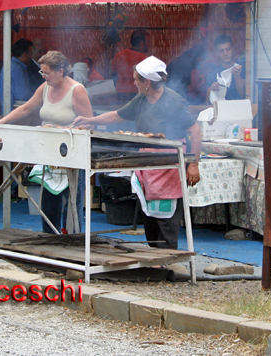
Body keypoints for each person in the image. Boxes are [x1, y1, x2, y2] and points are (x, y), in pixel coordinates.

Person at [73, 56, 202, 249]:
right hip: (147, 162)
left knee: (166, 213)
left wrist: (193, 164)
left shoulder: (174, 101)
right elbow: (117, 115)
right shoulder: (141, 99)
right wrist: (90, 121)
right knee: (148, 212)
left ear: (147, 82)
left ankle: (166, 255)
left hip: (169, 163)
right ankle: (153, 253)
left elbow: (195, 131)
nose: (133, 83)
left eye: (136, 79)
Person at [0, 51, 93, 234]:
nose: (44, 76)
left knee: (72, 199)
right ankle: (50, 235)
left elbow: (88, 123)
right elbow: (25, 108)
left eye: (47, 73)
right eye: (42, 73)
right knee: (49, 197)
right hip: (49, 152)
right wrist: (2, 122)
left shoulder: (76, 90)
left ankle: (74, 238)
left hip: (71, 153)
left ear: (61, 71)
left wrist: (63, 129)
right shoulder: (45, 87)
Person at [205, 35, 246, 102]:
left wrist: (237, 76)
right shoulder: (212, 75)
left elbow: (243, 95)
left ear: (232, 49)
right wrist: (212, 90)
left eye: (228, 49)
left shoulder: (242, 69)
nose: (225, 53)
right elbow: (207, 103)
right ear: (216, 53)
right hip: (221, 111)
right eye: (221, 51)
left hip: (240, 109)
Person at [110, 30, 148, 101]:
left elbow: (113, 72)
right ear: (142, 43)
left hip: (120, 92)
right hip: (135, 93)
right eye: (148, 42)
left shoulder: (119, 54)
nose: (149, 44)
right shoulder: (143, 58)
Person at [0, 38, 34, 107]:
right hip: (14, 113)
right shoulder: (16, 69)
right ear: (25, 55)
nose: (31, 57)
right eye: (31, 54)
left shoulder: (14, 66)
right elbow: (23, 96)